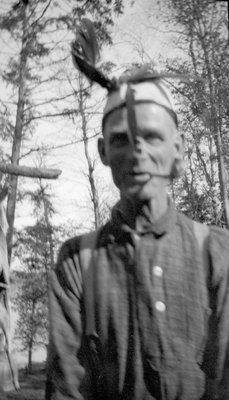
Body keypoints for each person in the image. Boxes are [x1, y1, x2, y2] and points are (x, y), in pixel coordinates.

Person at [45, 20, 229, 400]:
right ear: (103, 153)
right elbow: (67, 389)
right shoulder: (77, 263)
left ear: (177, 150)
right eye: (121, 140)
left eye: (152, 137)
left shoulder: (219, 255)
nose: (137, 152)